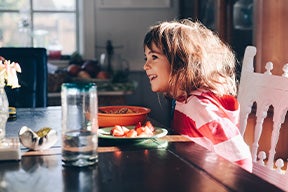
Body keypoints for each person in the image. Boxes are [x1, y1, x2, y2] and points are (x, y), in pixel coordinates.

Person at [143, 19, 252, 172]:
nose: (145, 65)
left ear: (181, 62)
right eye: (145, 58)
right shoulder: (184, 101)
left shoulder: (198, 106)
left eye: (154, 57)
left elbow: (241, 158)